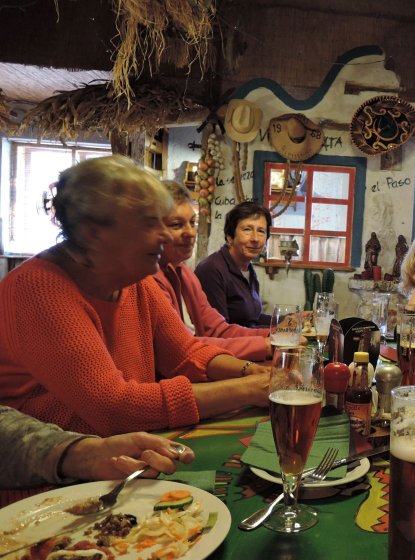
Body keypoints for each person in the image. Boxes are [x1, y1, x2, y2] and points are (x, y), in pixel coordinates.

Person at [0, 156, 271, 438]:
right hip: (56, 475)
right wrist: (248, 389)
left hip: (121, 451)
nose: (166, 235)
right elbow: (114, 408)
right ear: (95, 233)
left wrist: (251, 372)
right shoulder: (40, 289)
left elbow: (186, 353)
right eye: (149, 223)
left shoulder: (134, 281)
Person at [153, 181, 273, 362]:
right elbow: (183, 348)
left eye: (192, 222)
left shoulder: (184, 273)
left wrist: (279, 334)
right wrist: (266, 345)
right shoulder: (208, 269)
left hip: (207, 360)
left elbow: (219, 329)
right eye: (177, 224)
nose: (191, 233)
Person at [0, 406, 195, 491]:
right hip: (30, 496)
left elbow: (189, 352)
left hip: (75, 477)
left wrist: (89, 456)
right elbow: (114, 406)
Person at [195, 202, 272, 327]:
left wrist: (289, 320)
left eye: (261, 231)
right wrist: (275, 333)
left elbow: (253, 319)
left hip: (248, 344)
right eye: (247, 229)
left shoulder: (248, 269)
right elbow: (220, 332)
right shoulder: (211, 270)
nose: (255, 239)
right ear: (230, 236)